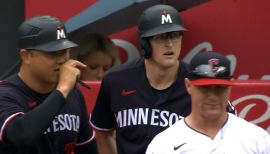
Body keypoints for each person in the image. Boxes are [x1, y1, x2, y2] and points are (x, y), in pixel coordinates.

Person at [90, 4, 191, 154]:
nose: (169, 44)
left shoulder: (196, 82)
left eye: (175, 35)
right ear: (145, 43)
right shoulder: (116, 80)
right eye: (161, 37)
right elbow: (103, 133)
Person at [0, 16, 97, 153]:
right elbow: (22, 136)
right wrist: (62, 89)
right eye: (53, 53)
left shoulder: (72, 93)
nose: (62, 60)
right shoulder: (5, 94)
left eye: (64, 51)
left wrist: (64, 90)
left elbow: (88, 149)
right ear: (26, 56)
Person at [146, 52, 270, 154]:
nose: (212, 96)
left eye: (219, 88)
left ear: (230, 87)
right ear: (188, 86)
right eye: (205, 88)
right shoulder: (164, 144)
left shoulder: (257, 139)